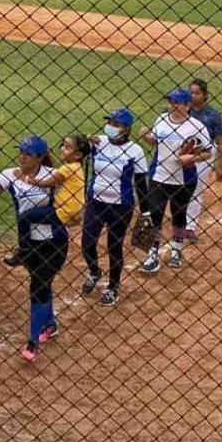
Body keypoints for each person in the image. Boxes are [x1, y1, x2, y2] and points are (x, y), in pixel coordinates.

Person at [0, 134, 68, 362]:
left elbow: (72, 201)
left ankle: (32, 342)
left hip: (54, 242)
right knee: (42, 284)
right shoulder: (11, 175)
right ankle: (50, 324)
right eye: (21, 152)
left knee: (38, 286)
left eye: (27, 154)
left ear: (39, 158)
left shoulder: (53, 177)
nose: (22, 157)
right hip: (28, 244)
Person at [80, 108, 149, 306]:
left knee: (114, 246)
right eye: (109, 122)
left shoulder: (136, 151)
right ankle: (94, 271)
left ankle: (113, 286)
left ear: (127, 128)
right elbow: (73, 146)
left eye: (115, 124)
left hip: (121, 206)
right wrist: (84, 139)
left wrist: (145, 211)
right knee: (87, 243)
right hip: (96, 202)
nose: (110, 127)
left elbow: (140, 184)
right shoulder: (98, 142)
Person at [139, 89, 213, 273]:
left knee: (179, 215)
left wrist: (192, 159)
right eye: (171, 101)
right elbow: (155, 142)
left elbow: (208, 152)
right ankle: (152, 254)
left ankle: (177, 250)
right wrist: (145, 136)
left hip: (184, 180)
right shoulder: (161, 119)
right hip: (158, 176)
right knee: (155, 214)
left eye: (177, 102)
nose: (173, 105)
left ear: (188, 106)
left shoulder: (196, 126)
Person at [187, 79, 222, 240]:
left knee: (195, 191)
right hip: (181, 155)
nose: (193, 95)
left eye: (197, 93)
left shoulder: (212, 114)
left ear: (205, 95)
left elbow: (221, 140)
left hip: (204, 157)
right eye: (191, 92)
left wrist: (221, 166)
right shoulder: (183, 110)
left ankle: (190, 226)